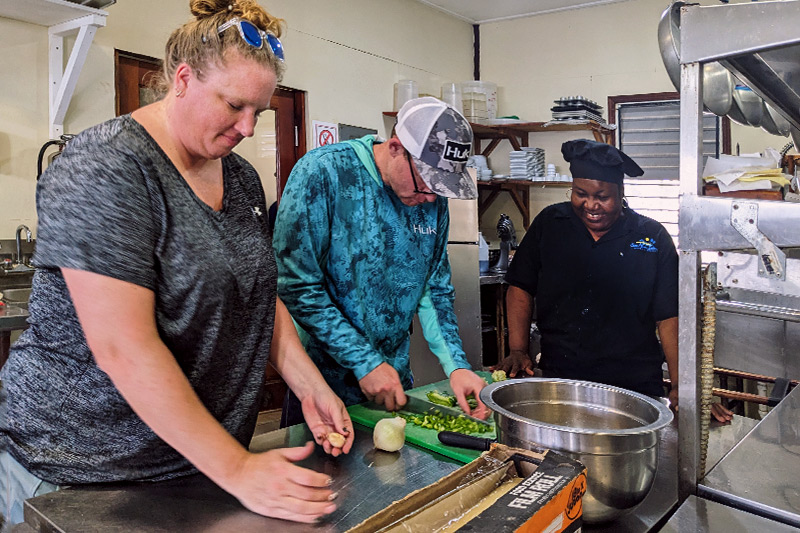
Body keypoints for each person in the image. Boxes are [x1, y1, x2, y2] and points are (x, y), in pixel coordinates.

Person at [0, 0, 354, 528]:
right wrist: (237, 467)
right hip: (79, 472)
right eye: (234, 105)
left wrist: (308, 384)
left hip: (192, 467)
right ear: (183, 79)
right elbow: (124, 347)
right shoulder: (108, 166)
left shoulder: (238, 179)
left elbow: (256, 295)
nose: (247, 127)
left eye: (258, 110)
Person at [273, 97, 489, 425]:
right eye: (425, 184)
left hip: (394, 383)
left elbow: (435, 289)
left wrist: (456, 365)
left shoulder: (431, 201)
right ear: (395, 147)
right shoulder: (324, 173)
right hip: (320, 387)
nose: (430, 199)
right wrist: (364, 361)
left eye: (439, 190)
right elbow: (295, 286)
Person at [497, 139, 733, 423]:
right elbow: (520, 286)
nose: (591, 205)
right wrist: (518, 349)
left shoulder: (651, 237)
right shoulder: (550, 224)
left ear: (621, 192)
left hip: (634, 384)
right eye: (580, 194)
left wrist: (683, 385)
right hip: (560, 379)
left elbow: (669, 316)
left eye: (602, 196)